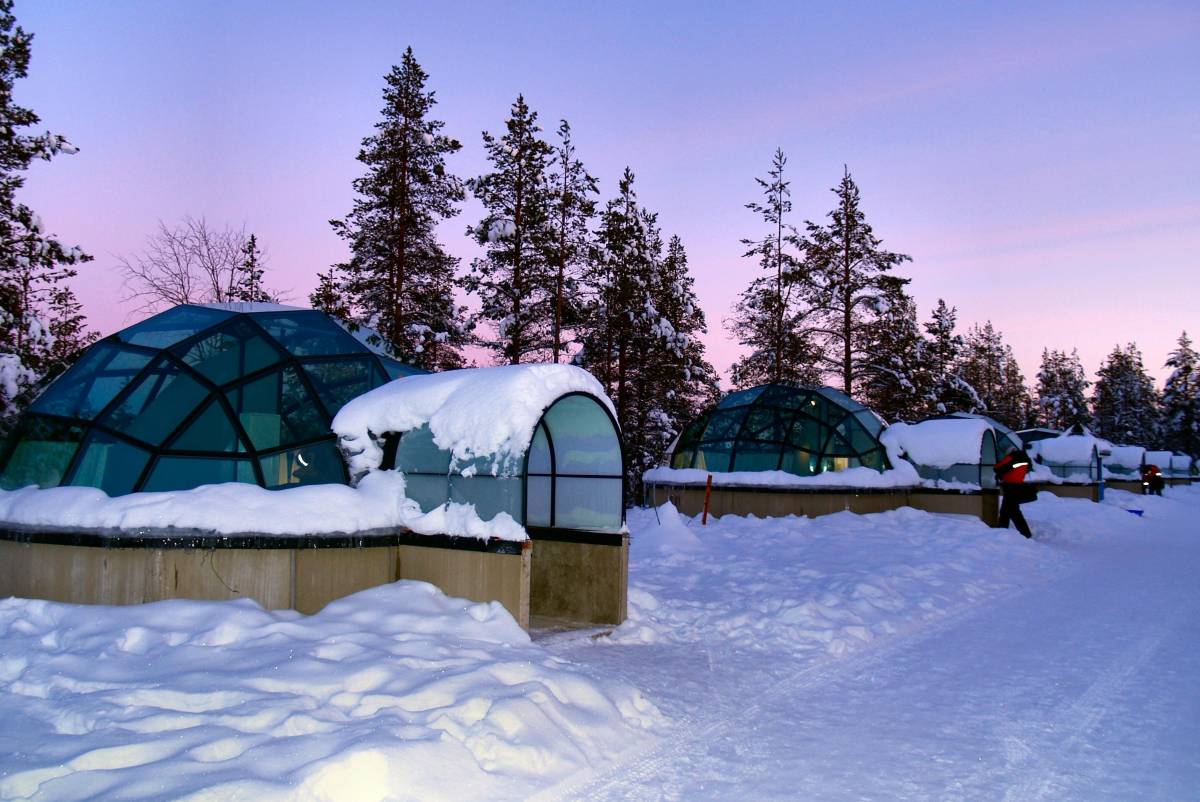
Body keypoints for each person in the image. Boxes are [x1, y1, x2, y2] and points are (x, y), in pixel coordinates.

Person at [994, 448, 1034, 539]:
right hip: (1019, 486)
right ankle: (1005, 530)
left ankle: (1023, 533)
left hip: (1010, 487)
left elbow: (997, 467)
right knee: (1010, 511)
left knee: (1010, 512)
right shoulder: (1024, 459)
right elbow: (1014, 467)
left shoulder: (1012, 457)